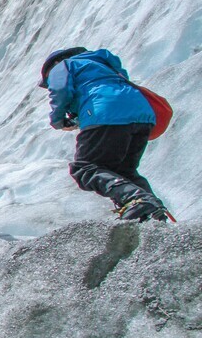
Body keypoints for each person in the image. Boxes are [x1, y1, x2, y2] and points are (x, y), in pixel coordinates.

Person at [39, 47, 167, 222]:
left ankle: (136, 200)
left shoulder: (63, 65)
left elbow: (60, 90)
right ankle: (153, 212)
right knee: (123, 171)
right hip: (141, 113)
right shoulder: (103, 64)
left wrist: (58, 120)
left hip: (105, 111)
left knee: (84, 168)